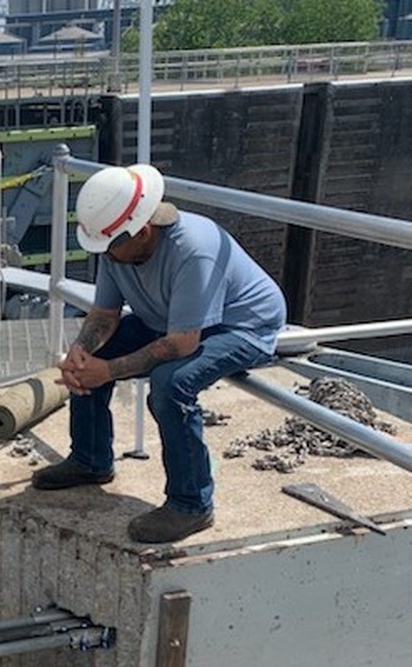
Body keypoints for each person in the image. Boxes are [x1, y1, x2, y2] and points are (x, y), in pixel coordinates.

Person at [31, 164, 287, 544]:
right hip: (172, 320)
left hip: (242, 326)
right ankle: (90, 459)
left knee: (171, 384)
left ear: (143, 230)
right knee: (97, 357)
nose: (108, 257)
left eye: (112, 247)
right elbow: (104, 315)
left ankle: (191, 503)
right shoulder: (117, 247)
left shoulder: (193, 250)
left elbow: (181, 344)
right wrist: (80, 354)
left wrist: (108, 370)